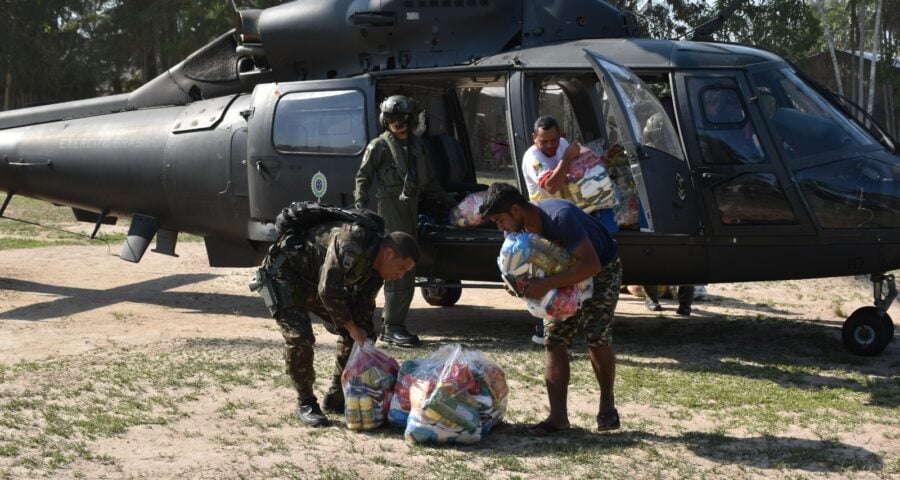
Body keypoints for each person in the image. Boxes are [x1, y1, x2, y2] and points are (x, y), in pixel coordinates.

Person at [479, 183, 623, 435]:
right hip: (558, 273)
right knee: (553, 340)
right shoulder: (515, 231)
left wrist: (545, 284)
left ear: (516, 209)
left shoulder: (560, 217)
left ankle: (607, 407)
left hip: (601, 269)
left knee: (596, 336)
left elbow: (592, 265)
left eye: (500, 219)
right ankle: (558, 418)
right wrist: (515, 286)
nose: (500, 227)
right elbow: (514, 267)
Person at [254, 209, 419, 427]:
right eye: (401, 268)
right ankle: (306, 402)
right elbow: (328, 292)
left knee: (362, 333)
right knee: (300, 337)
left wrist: (363, 337)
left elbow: (362, 311)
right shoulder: (353, 242)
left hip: (315, 281)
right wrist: (351, 327)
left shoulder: (377, 269)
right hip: (285, 275)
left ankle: (337, 397)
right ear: (388, 253)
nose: (401, 275)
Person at [354, 94, 449, 347]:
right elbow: (362, 178)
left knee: (408, 264)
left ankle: (392, 324)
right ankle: (392, 326)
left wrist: (449, 201)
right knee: (399, 264)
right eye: (393, 118)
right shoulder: (380, 146)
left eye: (402, 117)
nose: (398, 122)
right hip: (391, 208)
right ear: (385, 120)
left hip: (412, 205)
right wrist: (360, 210)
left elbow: (428, 180)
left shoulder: (417, 145)